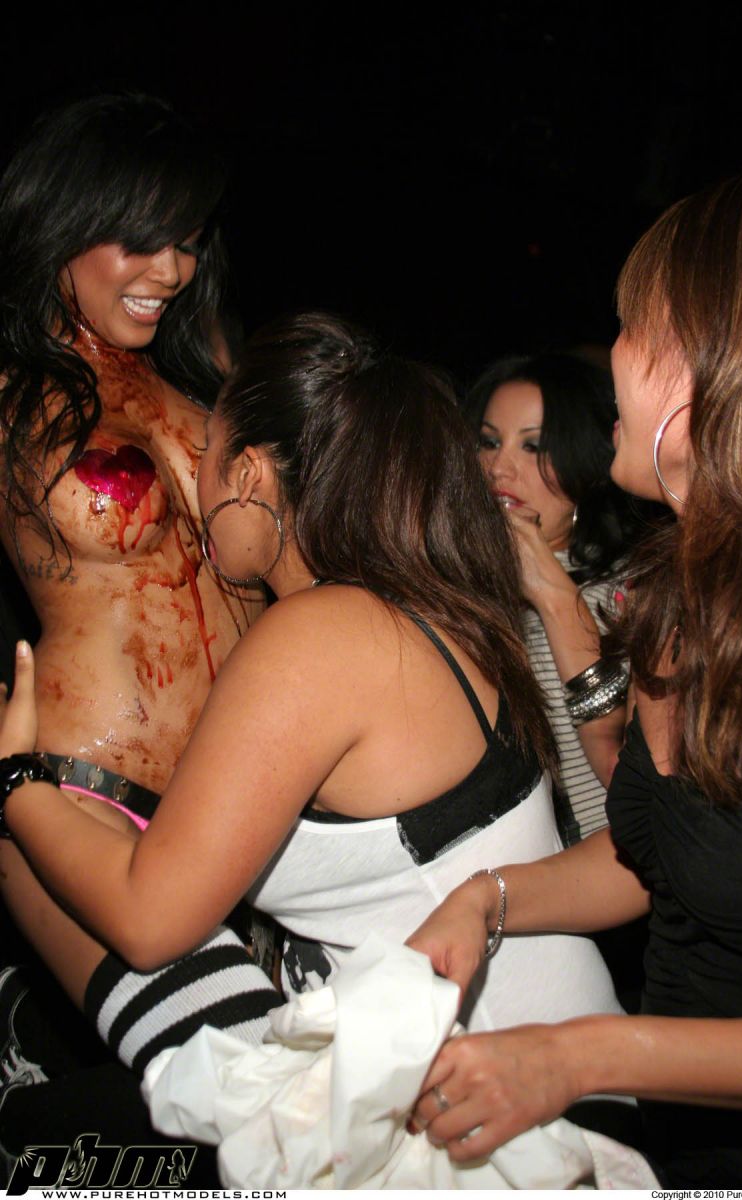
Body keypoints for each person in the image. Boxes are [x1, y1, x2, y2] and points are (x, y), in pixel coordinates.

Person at [0, 312, 624, 1094]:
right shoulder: (423, 599)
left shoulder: (318, 637)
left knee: (34, 857)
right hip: (531, 1073)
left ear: (250, 475)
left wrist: (18, 782)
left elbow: (149, 921)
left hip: (507, 1114)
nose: (191, 490)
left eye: (205, 451)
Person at [408, 170, 742, 1188]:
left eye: (631, 327)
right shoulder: (689, 597)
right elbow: (657, 859)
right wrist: (489, 898)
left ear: (710, 362)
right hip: (676, 1145)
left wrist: (579, 1055)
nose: (609, 354)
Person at [0, 93, 272, 1170]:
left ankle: (33, 1079)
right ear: (63, 223)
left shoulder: (202, 386)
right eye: (142, 238)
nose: (172, 268)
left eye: (189, 241)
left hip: (248, 811)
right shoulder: (11, 392)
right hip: (79, 800)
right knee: (255, 1099)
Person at [469, 353, 651, 843]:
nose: (499, 467)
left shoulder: (627, 594)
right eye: (489, 441)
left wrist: (554, 597)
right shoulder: (463, 588)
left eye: (534, 446)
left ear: (584, 463)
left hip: (610, 860)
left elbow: (627, 778)